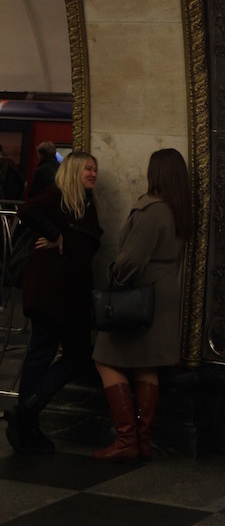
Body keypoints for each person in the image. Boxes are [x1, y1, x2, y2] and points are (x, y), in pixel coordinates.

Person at [91, 147, 192, 463]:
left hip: (140, 293)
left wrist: (113, 275)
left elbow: (131, 259)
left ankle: (126, 440)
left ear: (155, 173)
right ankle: (142, 441)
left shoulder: (153, 210)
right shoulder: (178, 209)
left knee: (105, 358)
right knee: (146, 365)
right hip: (164, 292)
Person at [3, 151, 102, 454]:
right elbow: (27, 210)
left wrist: (64, 239)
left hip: (69, 292)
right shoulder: (58, 196)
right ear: (73, 171)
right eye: (87, 169)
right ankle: (27, 423)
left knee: (75, 355)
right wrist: (55, 235)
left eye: (95, 169)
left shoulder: (86, 202)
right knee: (43, 353)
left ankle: (26, 413)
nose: (93, 174)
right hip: (50, 290)